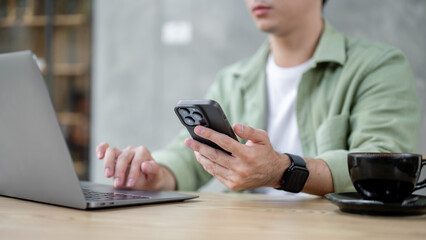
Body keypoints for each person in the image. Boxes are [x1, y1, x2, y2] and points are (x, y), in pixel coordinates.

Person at [96, 0, 420, 196]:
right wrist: (154, 173)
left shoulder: (378, 66)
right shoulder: (234, 79)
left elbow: (380, 166)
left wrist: (283, 171)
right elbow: (189, 152)